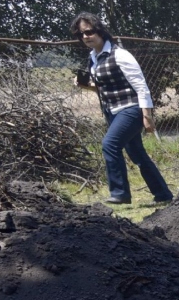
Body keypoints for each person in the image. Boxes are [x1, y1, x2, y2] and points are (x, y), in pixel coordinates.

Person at [71, 13, 173, 205]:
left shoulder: (120, 54)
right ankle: (163, 195)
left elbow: (141, 86)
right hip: (112, 111)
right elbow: (104, 87)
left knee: (109, 144)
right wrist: (85, 85)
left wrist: (147, 116)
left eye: (89, 32)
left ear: (99, 31)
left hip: (131, 109)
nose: (85, 37)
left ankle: (120, 193)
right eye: (81, 34)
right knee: (137, 154)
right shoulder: (93, 58)